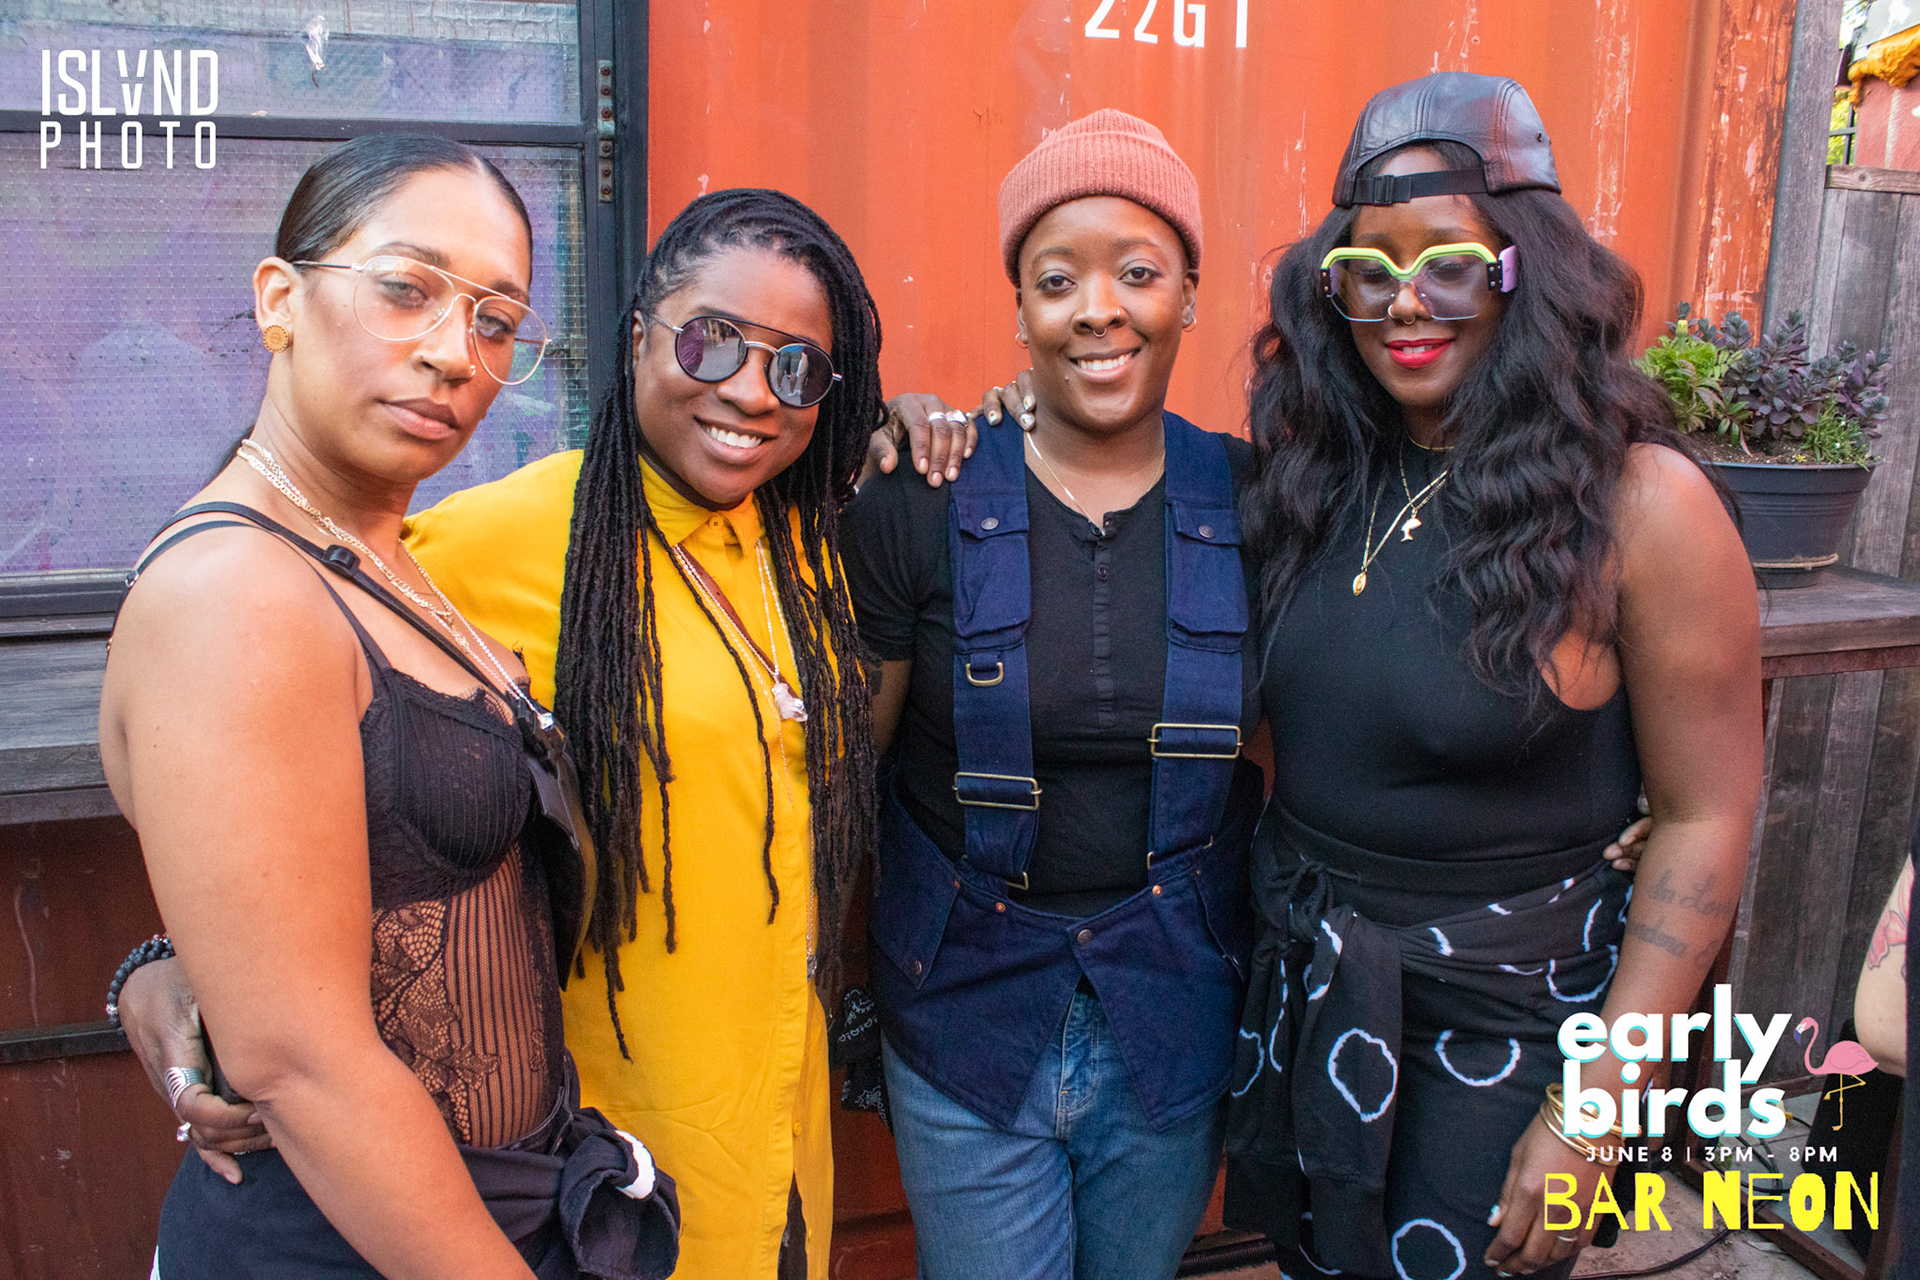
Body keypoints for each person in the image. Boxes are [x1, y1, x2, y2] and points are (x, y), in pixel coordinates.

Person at [117, 185, 886, 1279]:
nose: (753, 391)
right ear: (639, 336)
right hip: (574, 1178)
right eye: (712, 341)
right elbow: (257, 778)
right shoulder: (473, 548)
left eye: (799, 368)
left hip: (777, 1148)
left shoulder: (806, 556)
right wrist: (176, 963)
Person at [99, 133, 679, 1279]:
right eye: (406, 288)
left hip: (495, 1205)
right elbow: (302, 1062)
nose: (453, 353)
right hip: (350, 1244)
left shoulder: (379, 560)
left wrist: (163, 968)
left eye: (496, 321)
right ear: (281, 299)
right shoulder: (237, 592)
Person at [1222, 73, 1762, 1279]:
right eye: (1368, 270)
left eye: (1451, 264)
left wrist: (1597, 1106)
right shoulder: (1314, 475)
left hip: (1509, 1032)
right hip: (1314, 986)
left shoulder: (1640, 505)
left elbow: (1706, 814)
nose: (1406, 302)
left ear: (1530, 274)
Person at [842, 110, 1264, 1280]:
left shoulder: (1260, 502)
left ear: (1188, 294)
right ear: (1020, 307)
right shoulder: (919, 496)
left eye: (1139, 272)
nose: (1097, 309)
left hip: (1174, 1010)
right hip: (964, 1011)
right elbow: (847, 774)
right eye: (1057, 278)